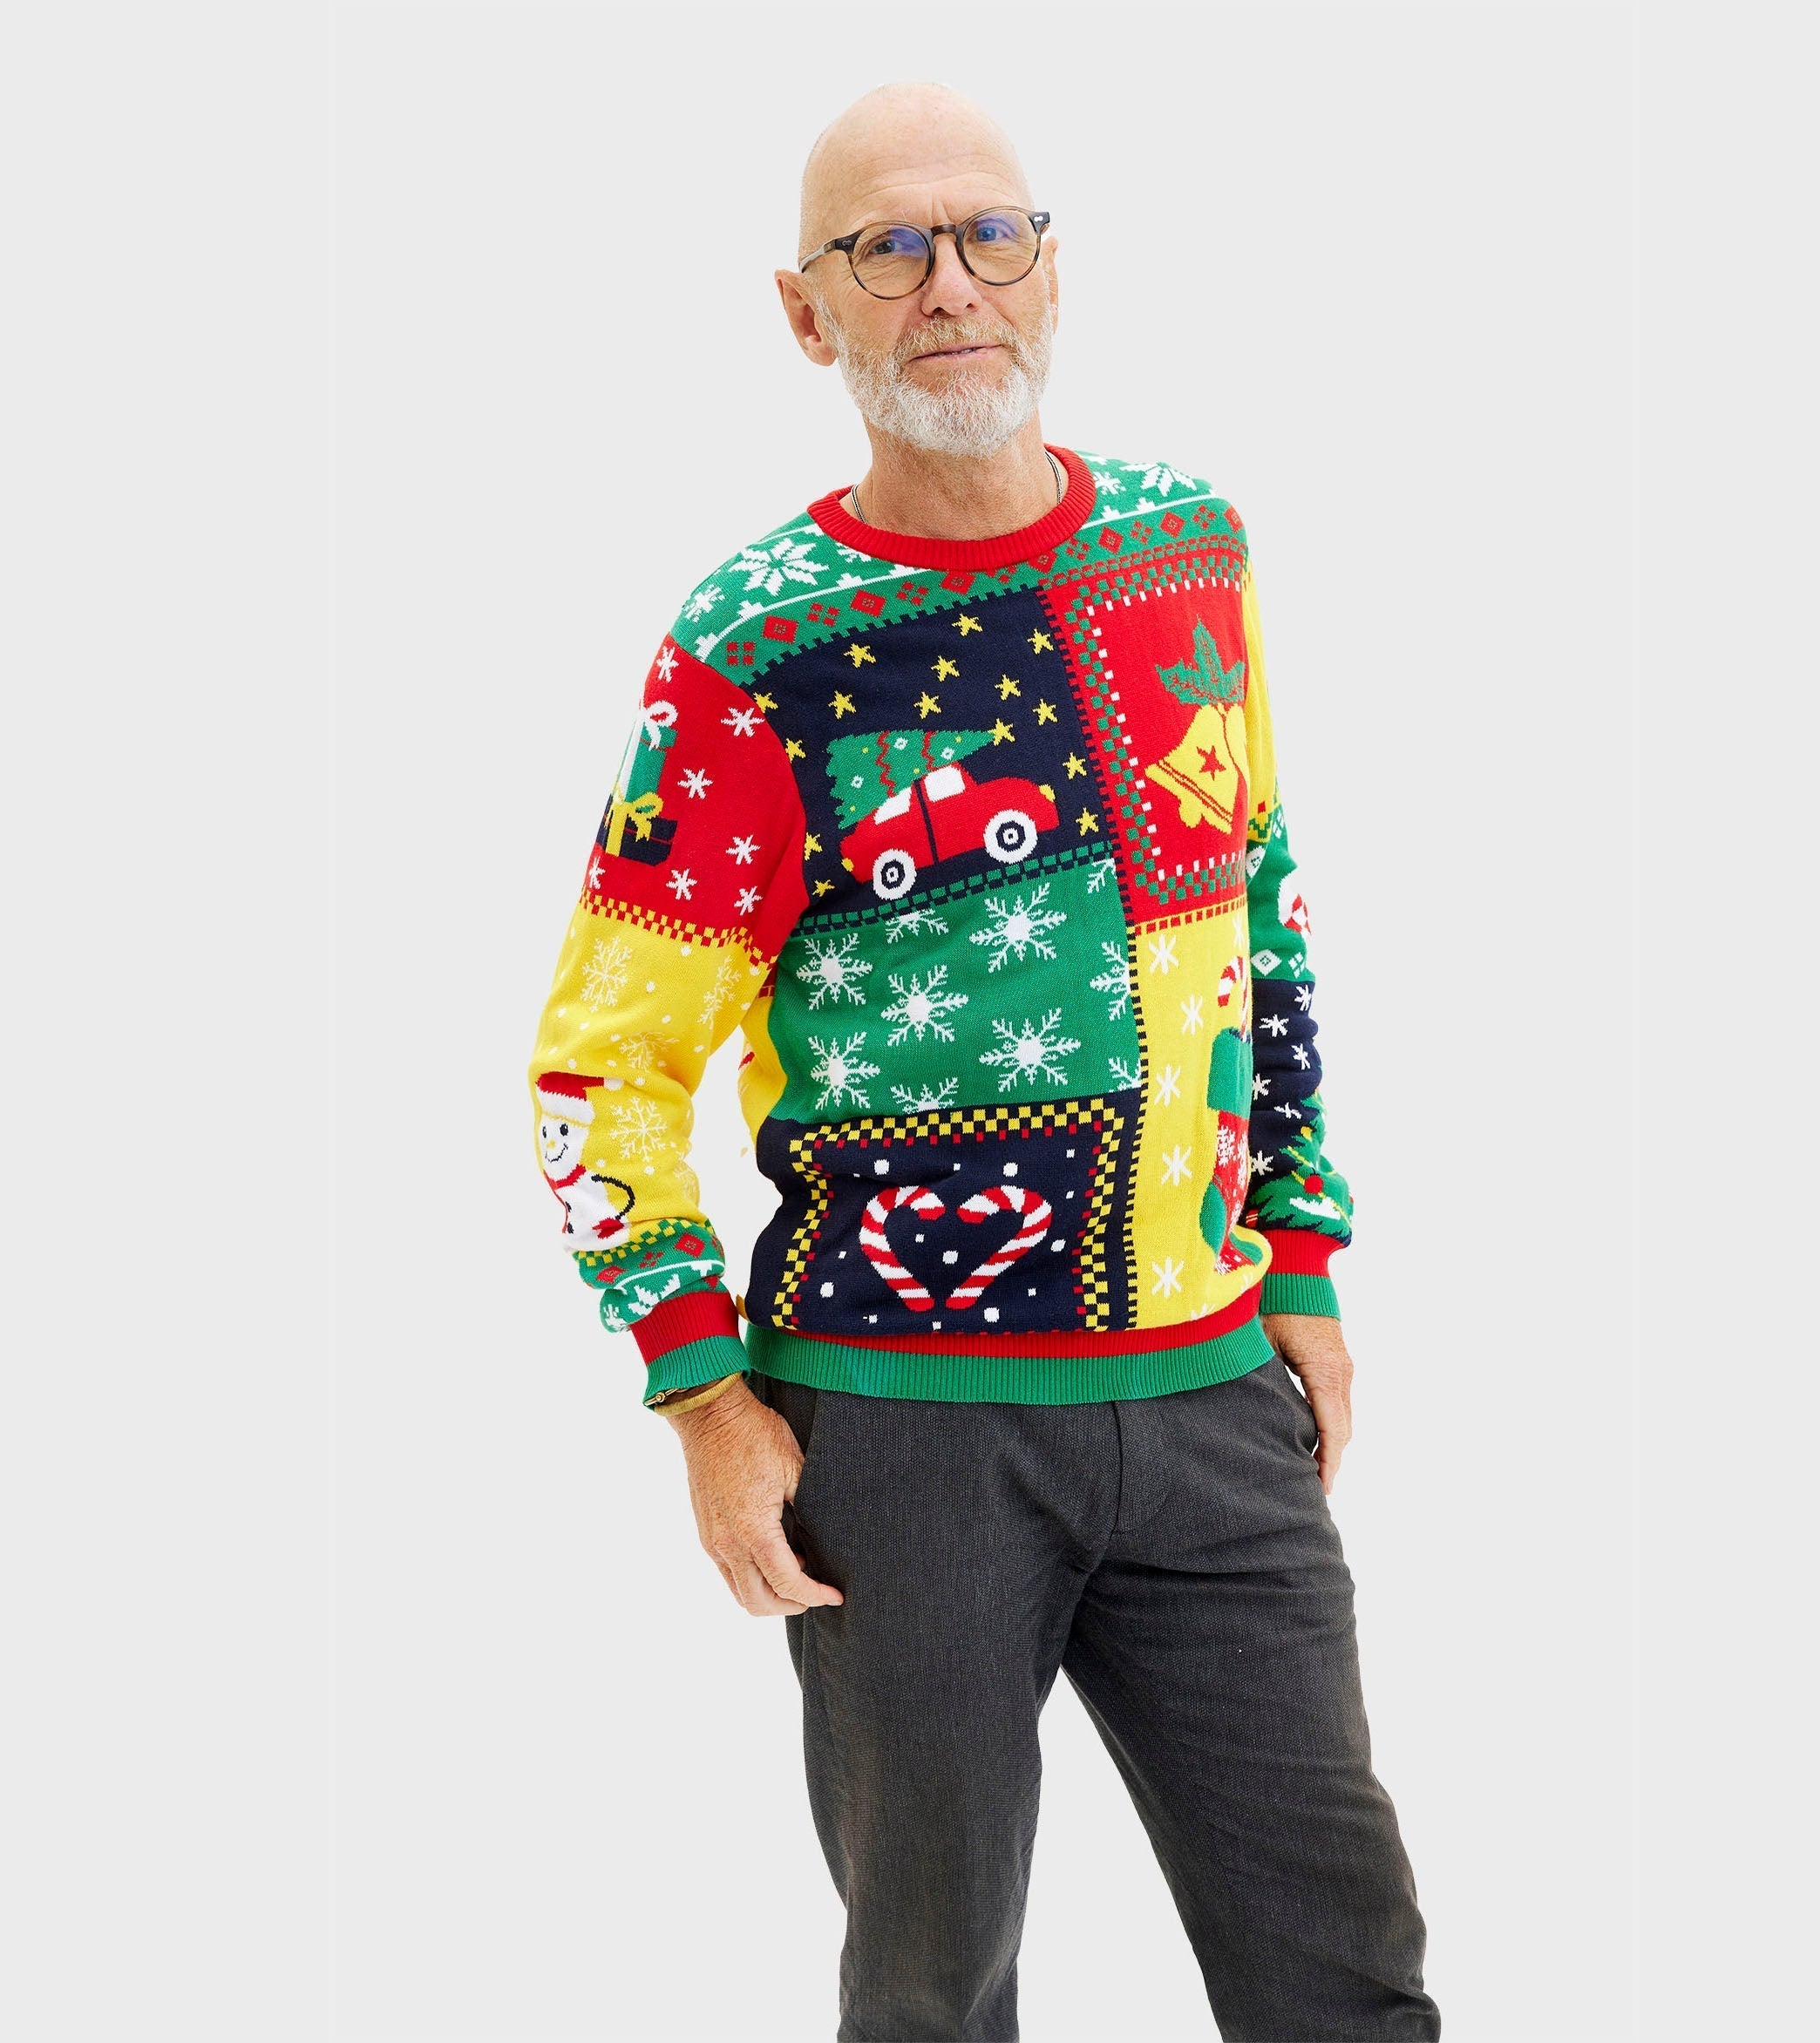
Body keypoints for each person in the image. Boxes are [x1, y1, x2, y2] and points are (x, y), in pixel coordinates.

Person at [525, 78, 1438, 2043]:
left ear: (1051, 269)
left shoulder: (1190, 547)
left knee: (1346, 1972)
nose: (949, 283)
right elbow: (599, 1065)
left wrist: (1299, 1247)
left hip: (1211, 1399)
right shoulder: (755, 646)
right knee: (929, 1993)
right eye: (887, 249)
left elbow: (1256, 906)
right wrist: (701, 1394)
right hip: (899, 1435)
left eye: (987, 233)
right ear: (807, 314)